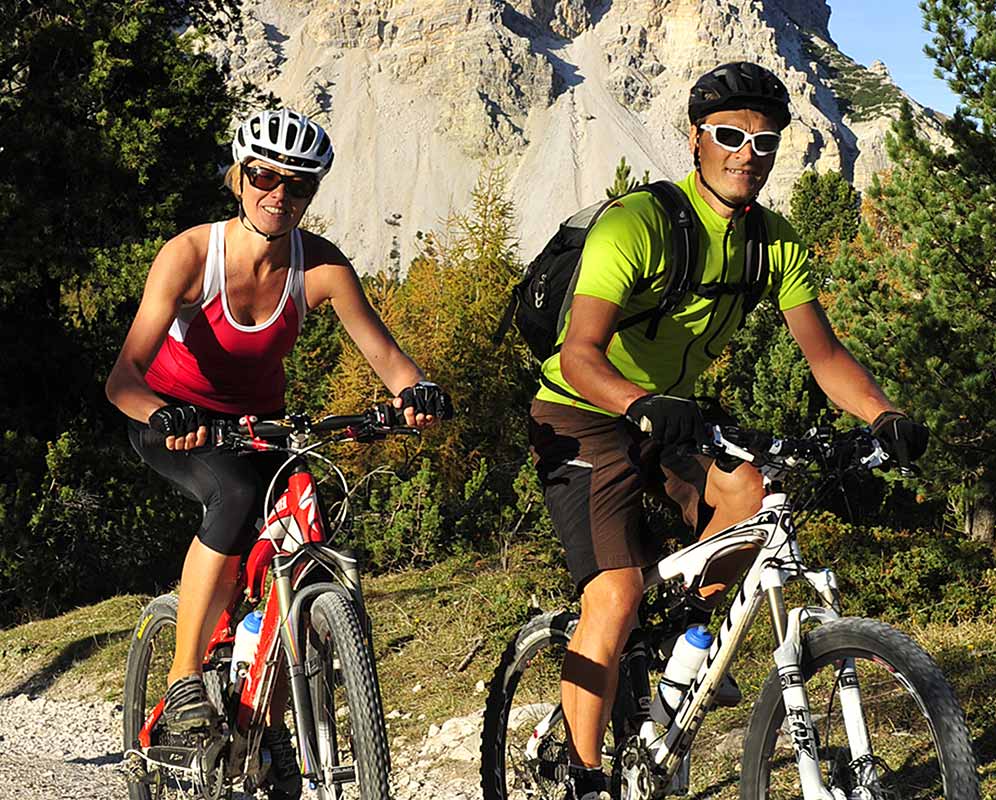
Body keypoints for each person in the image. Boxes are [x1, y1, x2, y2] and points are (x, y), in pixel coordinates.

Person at [527, 62, 929, 800]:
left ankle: (690, 629)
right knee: (614, 592)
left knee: (749, 490)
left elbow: (827, 356)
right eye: (730, 135)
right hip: (582, 410)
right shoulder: (637, 224)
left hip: (669, 410)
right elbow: (579, 354)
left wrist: (884, 415)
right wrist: (638, 402)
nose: (750, 152)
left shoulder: (774, 242)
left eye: (767, 140)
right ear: (696, 141)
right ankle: (584, 778)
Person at [105, 108, 450, 800]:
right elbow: (123, 379)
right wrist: (165, 413)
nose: (278, 195)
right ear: (239, 176)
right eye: (264, 175)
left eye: (297, 184)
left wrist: (417, 391)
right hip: (172, 422)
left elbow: (383, 353)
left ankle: (272, 719)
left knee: (307, 521)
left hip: (259, 426)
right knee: (233, 498)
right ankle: (181, 684)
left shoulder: (318, 267)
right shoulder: (190, 255)